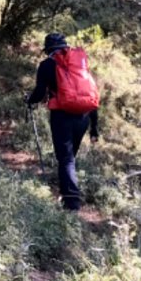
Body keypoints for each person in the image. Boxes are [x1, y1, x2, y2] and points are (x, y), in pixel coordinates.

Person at [26, 32, 99, 211]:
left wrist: (29, 100)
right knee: (69, 158)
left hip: (62, 116)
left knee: (66, 160)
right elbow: (88, 93)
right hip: (84, 116)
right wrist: (94, 128)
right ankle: (67, 193)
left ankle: (72, 203)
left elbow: (39, 93)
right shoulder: (78, 64)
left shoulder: (46, 65)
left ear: (48, 50)